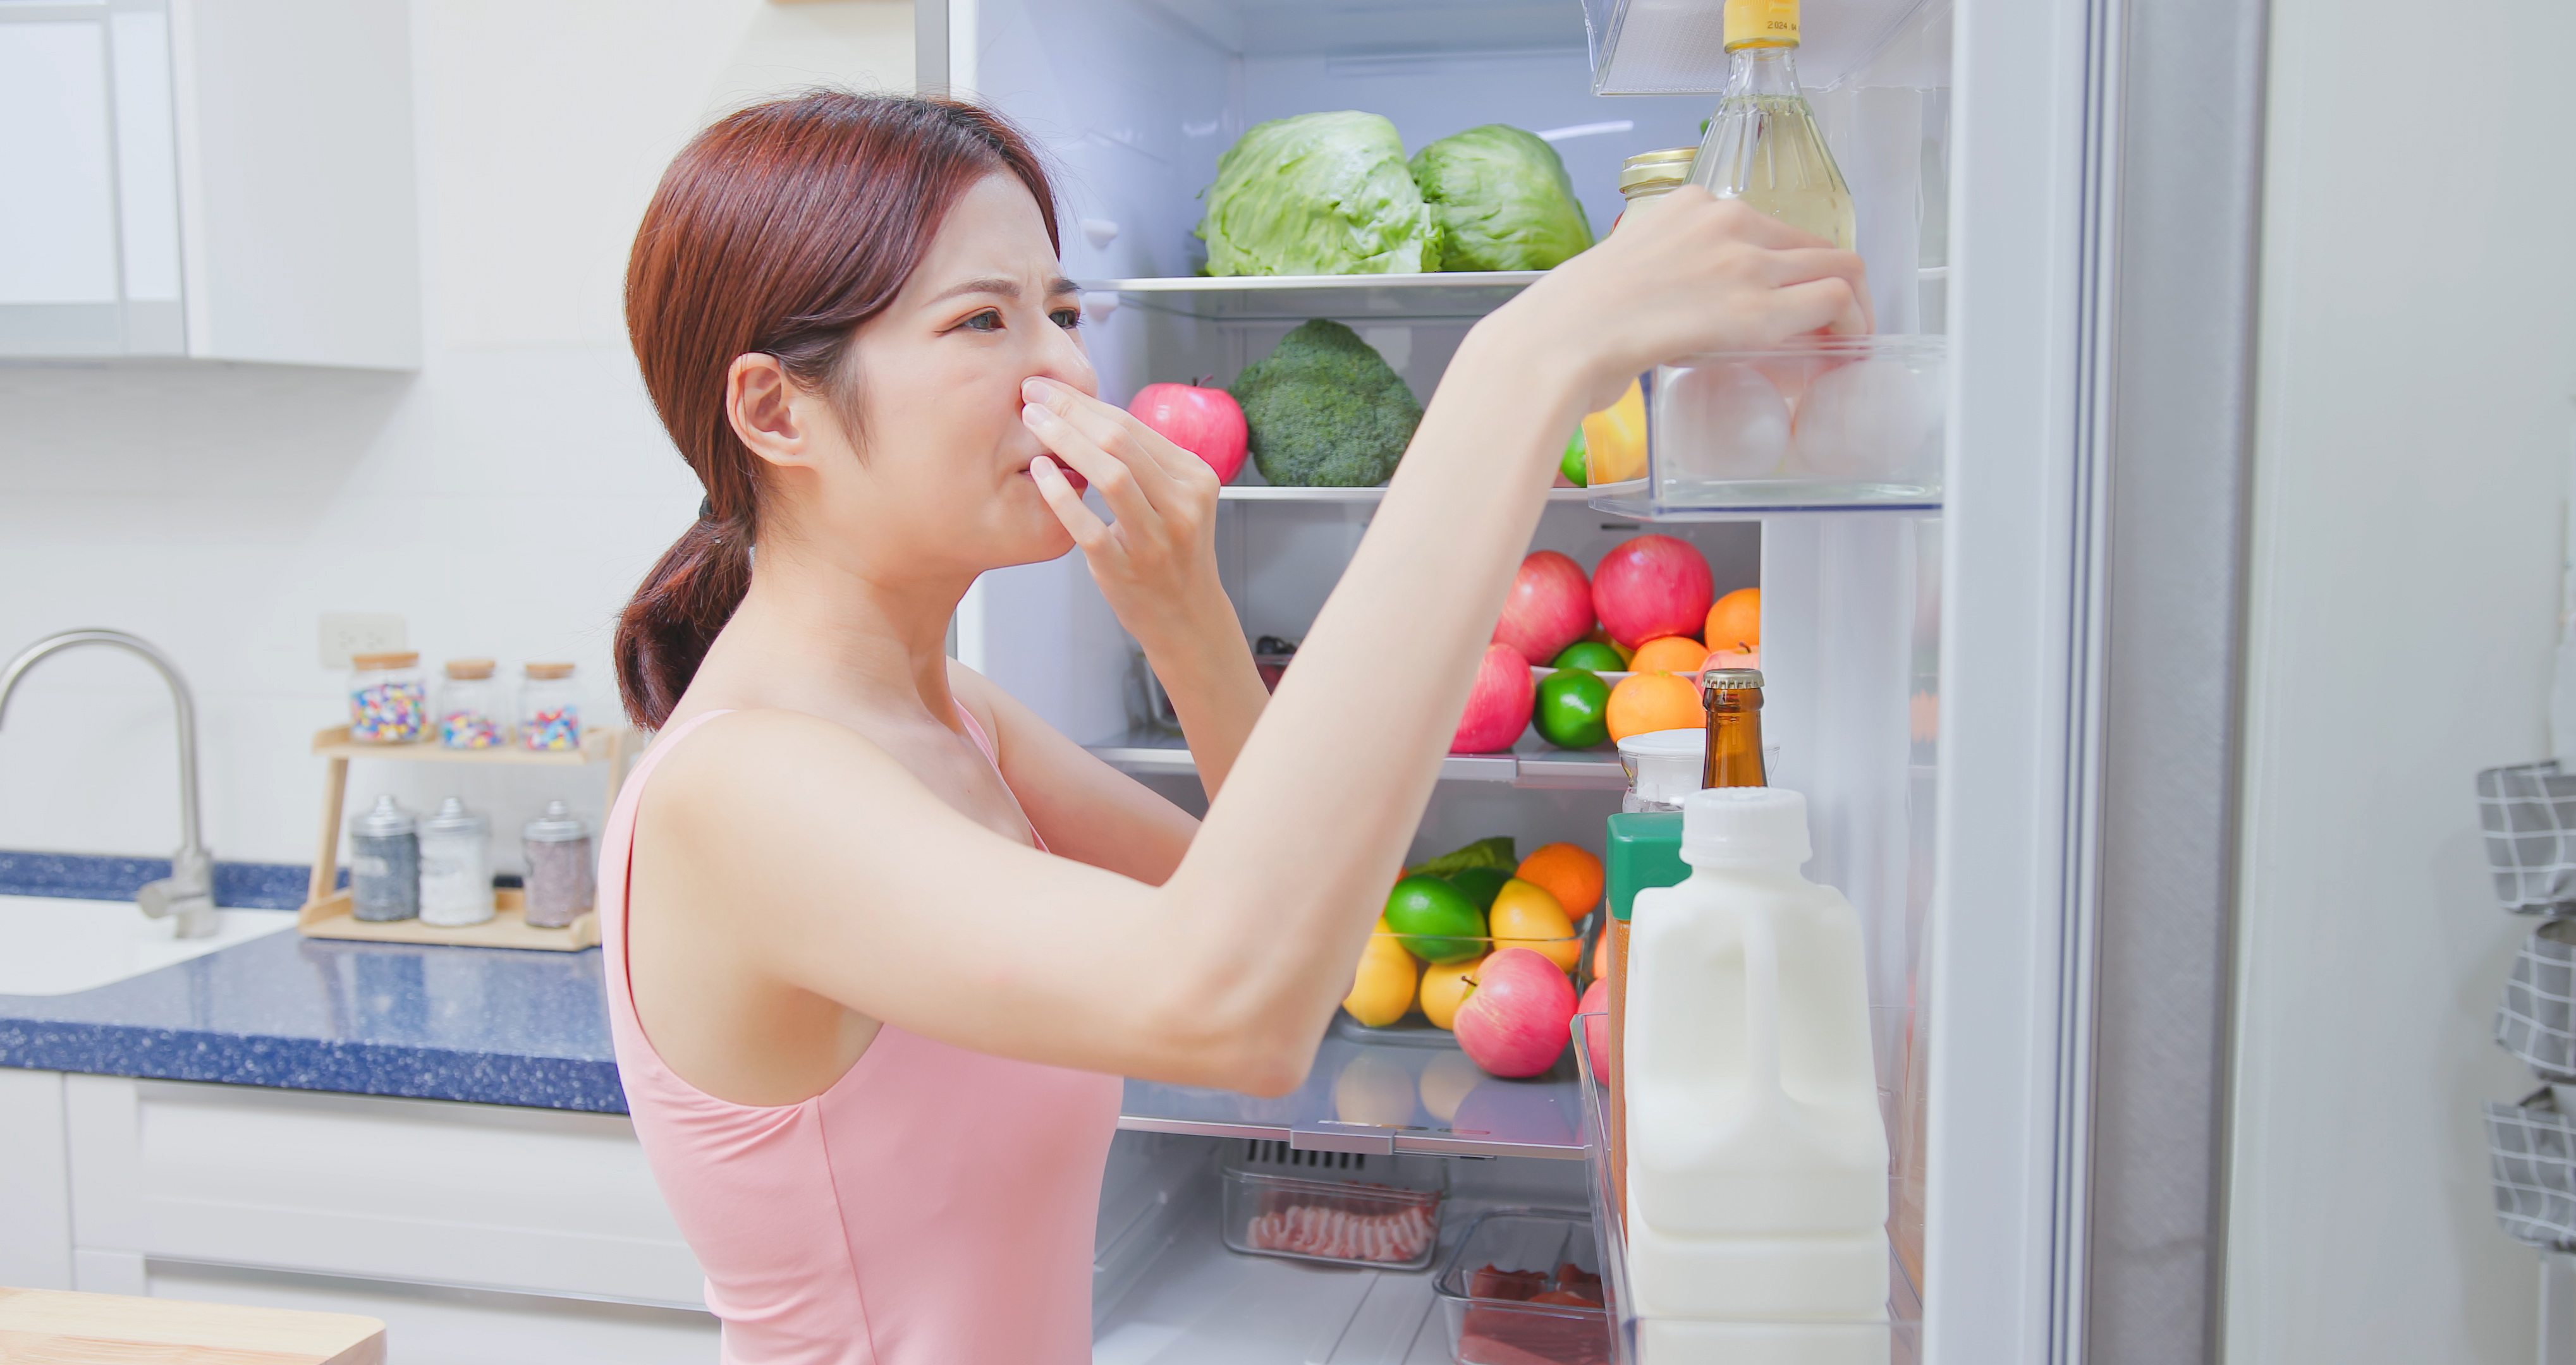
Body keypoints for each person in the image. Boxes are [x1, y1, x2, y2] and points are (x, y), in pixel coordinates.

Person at [601, 91, 1869, 1364]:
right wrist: (1516, 366)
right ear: (774, 413)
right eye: (982, 320)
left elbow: (1305, 950)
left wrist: (1191, 624)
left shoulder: (954, 723)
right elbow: (1234, 1016)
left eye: (1061, 312)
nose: (1064, 373)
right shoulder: (746, 791)